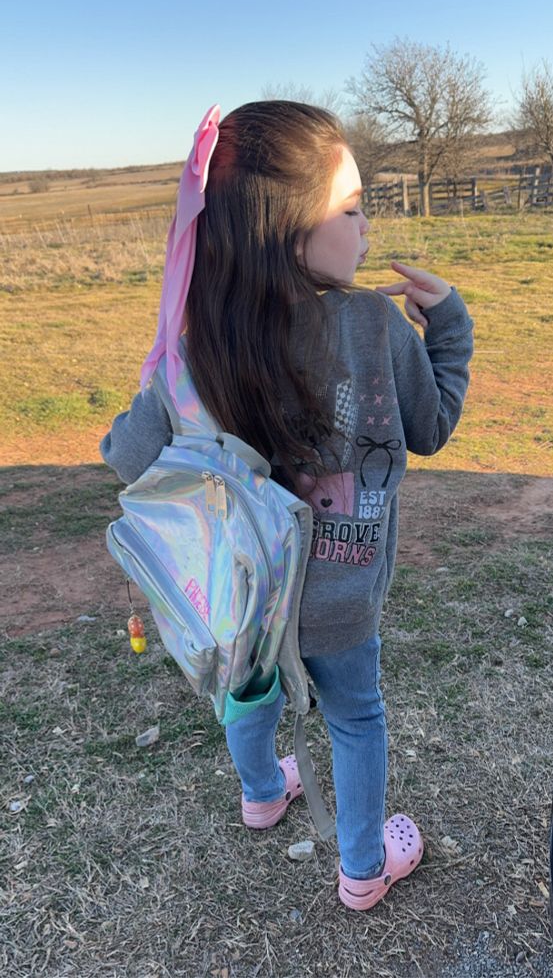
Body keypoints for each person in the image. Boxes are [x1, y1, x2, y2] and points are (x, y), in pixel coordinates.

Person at [100, 101, 473, 911]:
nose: (366, 225)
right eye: (351, 207)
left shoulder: (201, 342)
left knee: (249, 696)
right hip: (340, 603)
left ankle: (263, 792)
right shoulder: (376, 325)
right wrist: (448, 325)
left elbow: (128, 458)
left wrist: (159, 374)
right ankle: (363, 870)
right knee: (355, 719)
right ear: (289, 228)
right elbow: (433, 426)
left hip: (242, 606)